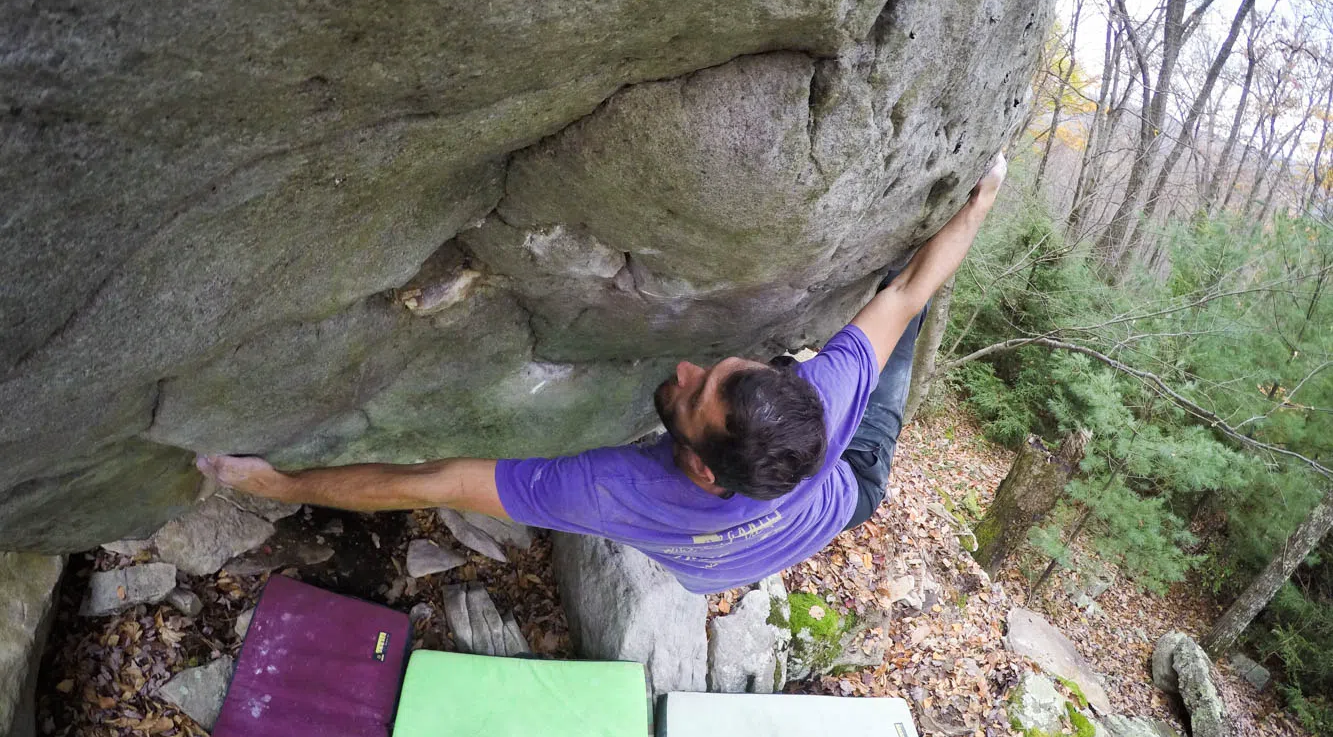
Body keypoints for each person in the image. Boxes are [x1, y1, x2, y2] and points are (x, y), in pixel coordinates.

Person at [197, 154, 1006, 594]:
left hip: (843, 494)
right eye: (714, 369)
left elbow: (432, 478)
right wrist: (976, 202)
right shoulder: (820, 399)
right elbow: (907, 289)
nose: (684, 369)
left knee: (883, 414)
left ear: (695, 461)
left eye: (689, 394)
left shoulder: (615, 490)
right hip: (760, 538)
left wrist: (278, 485)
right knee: (901, 311)